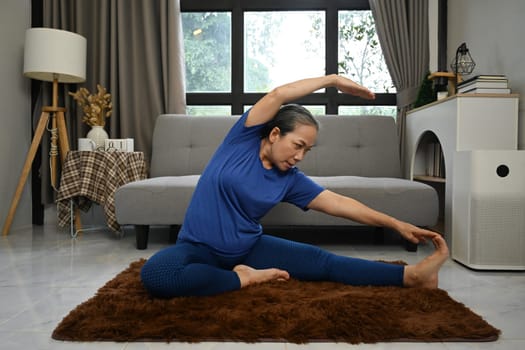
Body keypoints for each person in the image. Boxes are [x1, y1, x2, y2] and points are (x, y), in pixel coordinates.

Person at [140, 74, 449, 298]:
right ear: (274, 134)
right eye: (297, 145)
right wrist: (332, 80)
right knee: (157, 275)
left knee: (323, 262)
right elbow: (278, 95)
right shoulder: (242, 140)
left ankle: (410, 276)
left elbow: (341, 204)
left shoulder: (290, 180)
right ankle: (242, 280)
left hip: (249, 248)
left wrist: (396, 224)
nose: (299, 156)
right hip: (197, 248)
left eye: (307, 151)